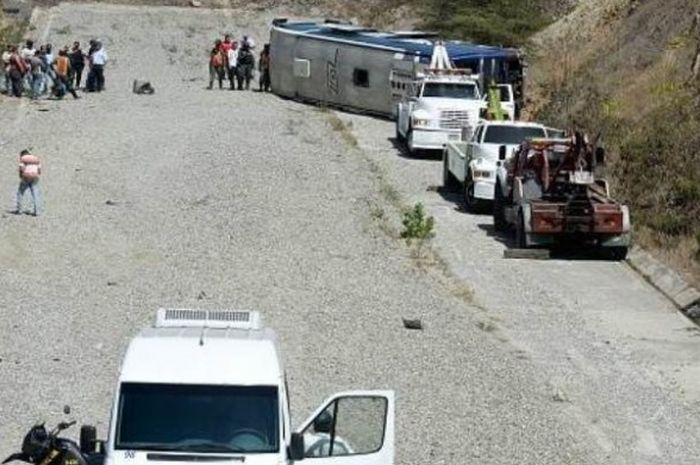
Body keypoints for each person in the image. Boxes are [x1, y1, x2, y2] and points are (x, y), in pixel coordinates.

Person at [14, 149, 42, 216]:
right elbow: (39, 169)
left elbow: (21, 168)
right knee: (35, 194)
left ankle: (19, 209)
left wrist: (21, 175)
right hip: (35, 177)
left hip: (26, 177)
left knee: (20, 193)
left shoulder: (23, 159)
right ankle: (37, 211)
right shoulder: (36, 159)